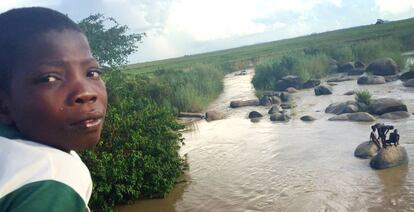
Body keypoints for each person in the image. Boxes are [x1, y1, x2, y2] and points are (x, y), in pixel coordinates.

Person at [0, 7, 107, 211]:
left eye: (92, 73)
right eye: (49, 78)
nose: (86, 93)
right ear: (3, 106)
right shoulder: (51, 178)